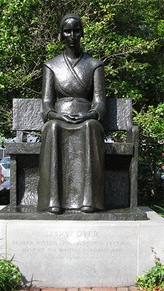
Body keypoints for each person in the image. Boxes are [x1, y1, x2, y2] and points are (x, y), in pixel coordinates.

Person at [38, 13, 106, 214]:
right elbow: (46, 102)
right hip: (60, 118)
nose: (72, 35)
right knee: (51, 128)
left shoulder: (95, 65)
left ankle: (90, 200)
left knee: (91, 128)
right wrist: (55, 115)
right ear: (61, 34)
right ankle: (52, 200)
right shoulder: (51, 65)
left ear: (82, 32)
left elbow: (100, 101)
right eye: (67, 31)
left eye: (76, 30)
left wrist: (91, 114)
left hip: (87, 117)